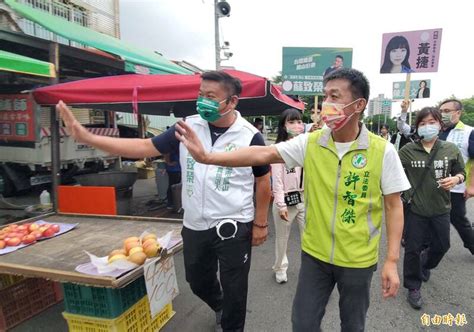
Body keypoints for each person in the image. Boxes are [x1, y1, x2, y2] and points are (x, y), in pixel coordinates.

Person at [175, 68, 411, 331]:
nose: (327, 104)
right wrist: (208, 157)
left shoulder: (382, 151)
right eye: (325, 96)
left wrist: (391, 260)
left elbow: (393, 205)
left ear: (359, 104)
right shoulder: (310, 143)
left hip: (358, 260)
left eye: (335, 96)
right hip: (315, 255)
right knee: (303, 324)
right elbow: (262, 154)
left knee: (353, 325)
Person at [57, 70, 272, 332]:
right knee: (196, 280)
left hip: (233, 224)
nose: (203, 100)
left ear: (232, 101)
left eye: (211, 96)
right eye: (200, 94)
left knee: (235, 288)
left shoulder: (249, 136)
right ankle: (219, 305)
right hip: (194, 223)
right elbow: (144, 147)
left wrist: (260, 223)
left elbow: (263, 180)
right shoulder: (186, 127)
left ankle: (231, 325)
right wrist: (87, 137)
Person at [398, 107, 465, 309]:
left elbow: (461, 172)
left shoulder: (450, 149)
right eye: (423, 123)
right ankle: (413, 286)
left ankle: (425, 263)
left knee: (442, 245)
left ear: (440, 124)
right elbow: (392, 173)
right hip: (415, 209)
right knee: (412, 249)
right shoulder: (407, 151)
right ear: (417, 127)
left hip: (441, 207)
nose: (428, 127)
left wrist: (456, 178)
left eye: (432, 122)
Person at [398, 98, 474, 255]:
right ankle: (421, 258)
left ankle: (470, 245)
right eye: (442, 111)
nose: (443, 114)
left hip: (456, 188)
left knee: (457, 221)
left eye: (447, 111)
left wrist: (469, 183)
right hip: (425, 188)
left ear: (458, 112)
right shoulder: (429, 135)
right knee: (422, 228)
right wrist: (404, 111)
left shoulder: (468, 132)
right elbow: (405, 129)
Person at [271, 108, 306, 284]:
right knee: (282, 238)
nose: (296, 125)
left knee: (309, 237)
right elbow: (276, 180)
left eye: (299, 121)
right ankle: (280, 268)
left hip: (304, 198)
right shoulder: (278, 149)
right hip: (285, 199)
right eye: (291, 122)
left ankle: (311, 271)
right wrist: (281, 205)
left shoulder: (306, 147)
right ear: (283, 126)